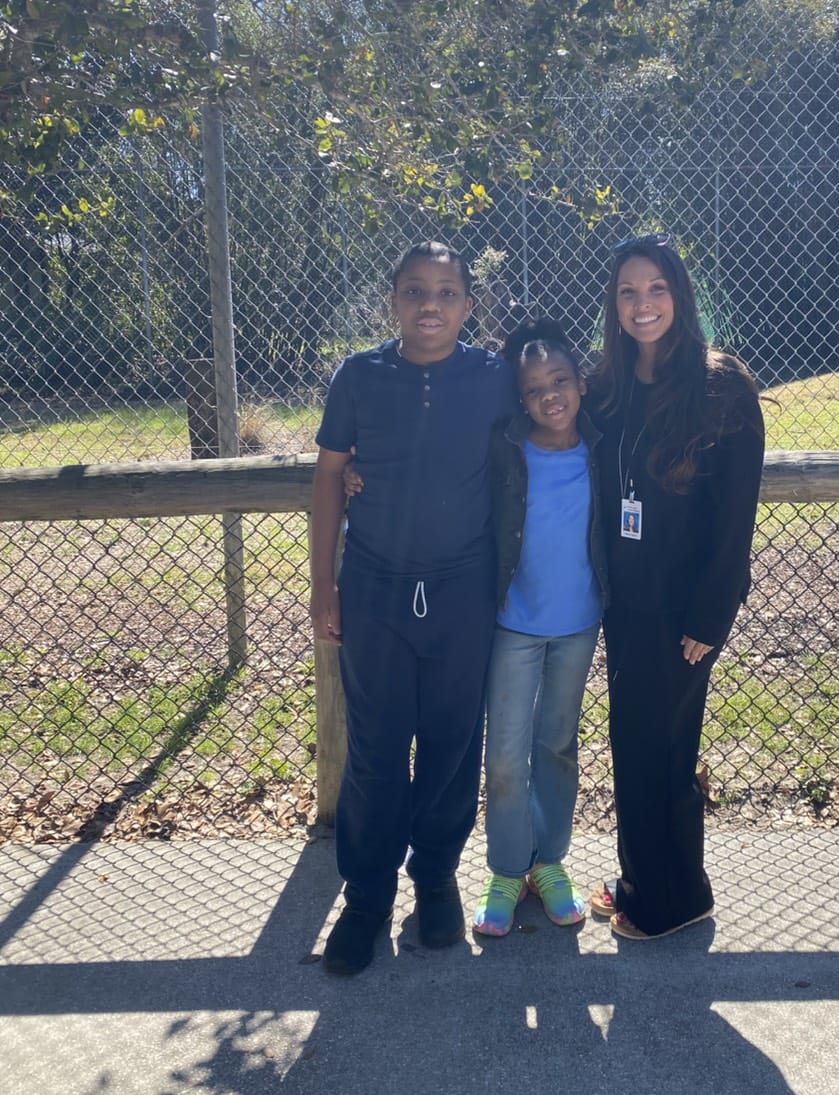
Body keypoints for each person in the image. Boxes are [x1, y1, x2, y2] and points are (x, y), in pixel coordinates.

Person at [309, 240, 515, 976]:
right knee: (375, 750)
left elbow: (562, 413)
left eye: (448, 291)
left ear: (468, 303)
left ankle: (434, 880)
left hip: (463, 590)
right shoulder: (360, 376)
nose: (432, 304)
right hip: (375, 588)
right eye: (415, 290)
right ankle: (365, 896)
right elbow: (331, 475)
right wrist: (322, 585)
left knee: (454, 743)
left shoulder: (495, 378)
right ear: (391, 299)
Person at [586, 232, 765, 940]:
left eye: (656, 289)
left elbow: (735, 521)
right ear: (614, 304)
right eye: (628, 291)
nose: (643, 304)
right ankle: (657, 878)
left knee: (660, 747)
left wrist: (711, 614)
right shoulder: (610, 386)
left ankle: (664, 903)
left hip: (686, 610)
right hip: (624, 601)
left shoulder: (723, 388)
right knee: (638, 742)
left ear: (680, 296)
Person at [473, 318, 609, 937]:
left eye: (560, 380)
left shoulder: (605, 448)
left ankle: (548, 863)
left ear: (580, 384)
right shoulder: (504, 447)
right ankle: (507, 868)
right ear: (520, 399)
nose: (550, 394)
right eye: (534, 389)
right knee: (504, 755)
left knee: (555, 745)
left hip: (579, 625)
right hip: (513, 624)